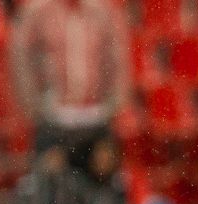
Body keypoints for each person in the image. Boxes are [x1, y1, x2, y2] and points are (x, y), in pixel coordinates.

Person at [9, 0, 130, 173]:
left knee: (101, 188)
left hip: (95, 118)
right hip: (53, 120)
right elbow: (22, 61)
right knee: (53, 187)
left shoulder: (103, 12)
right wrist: (35, 105)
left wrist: (112, 104)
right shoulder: (36, 12)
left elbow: (117, 60)